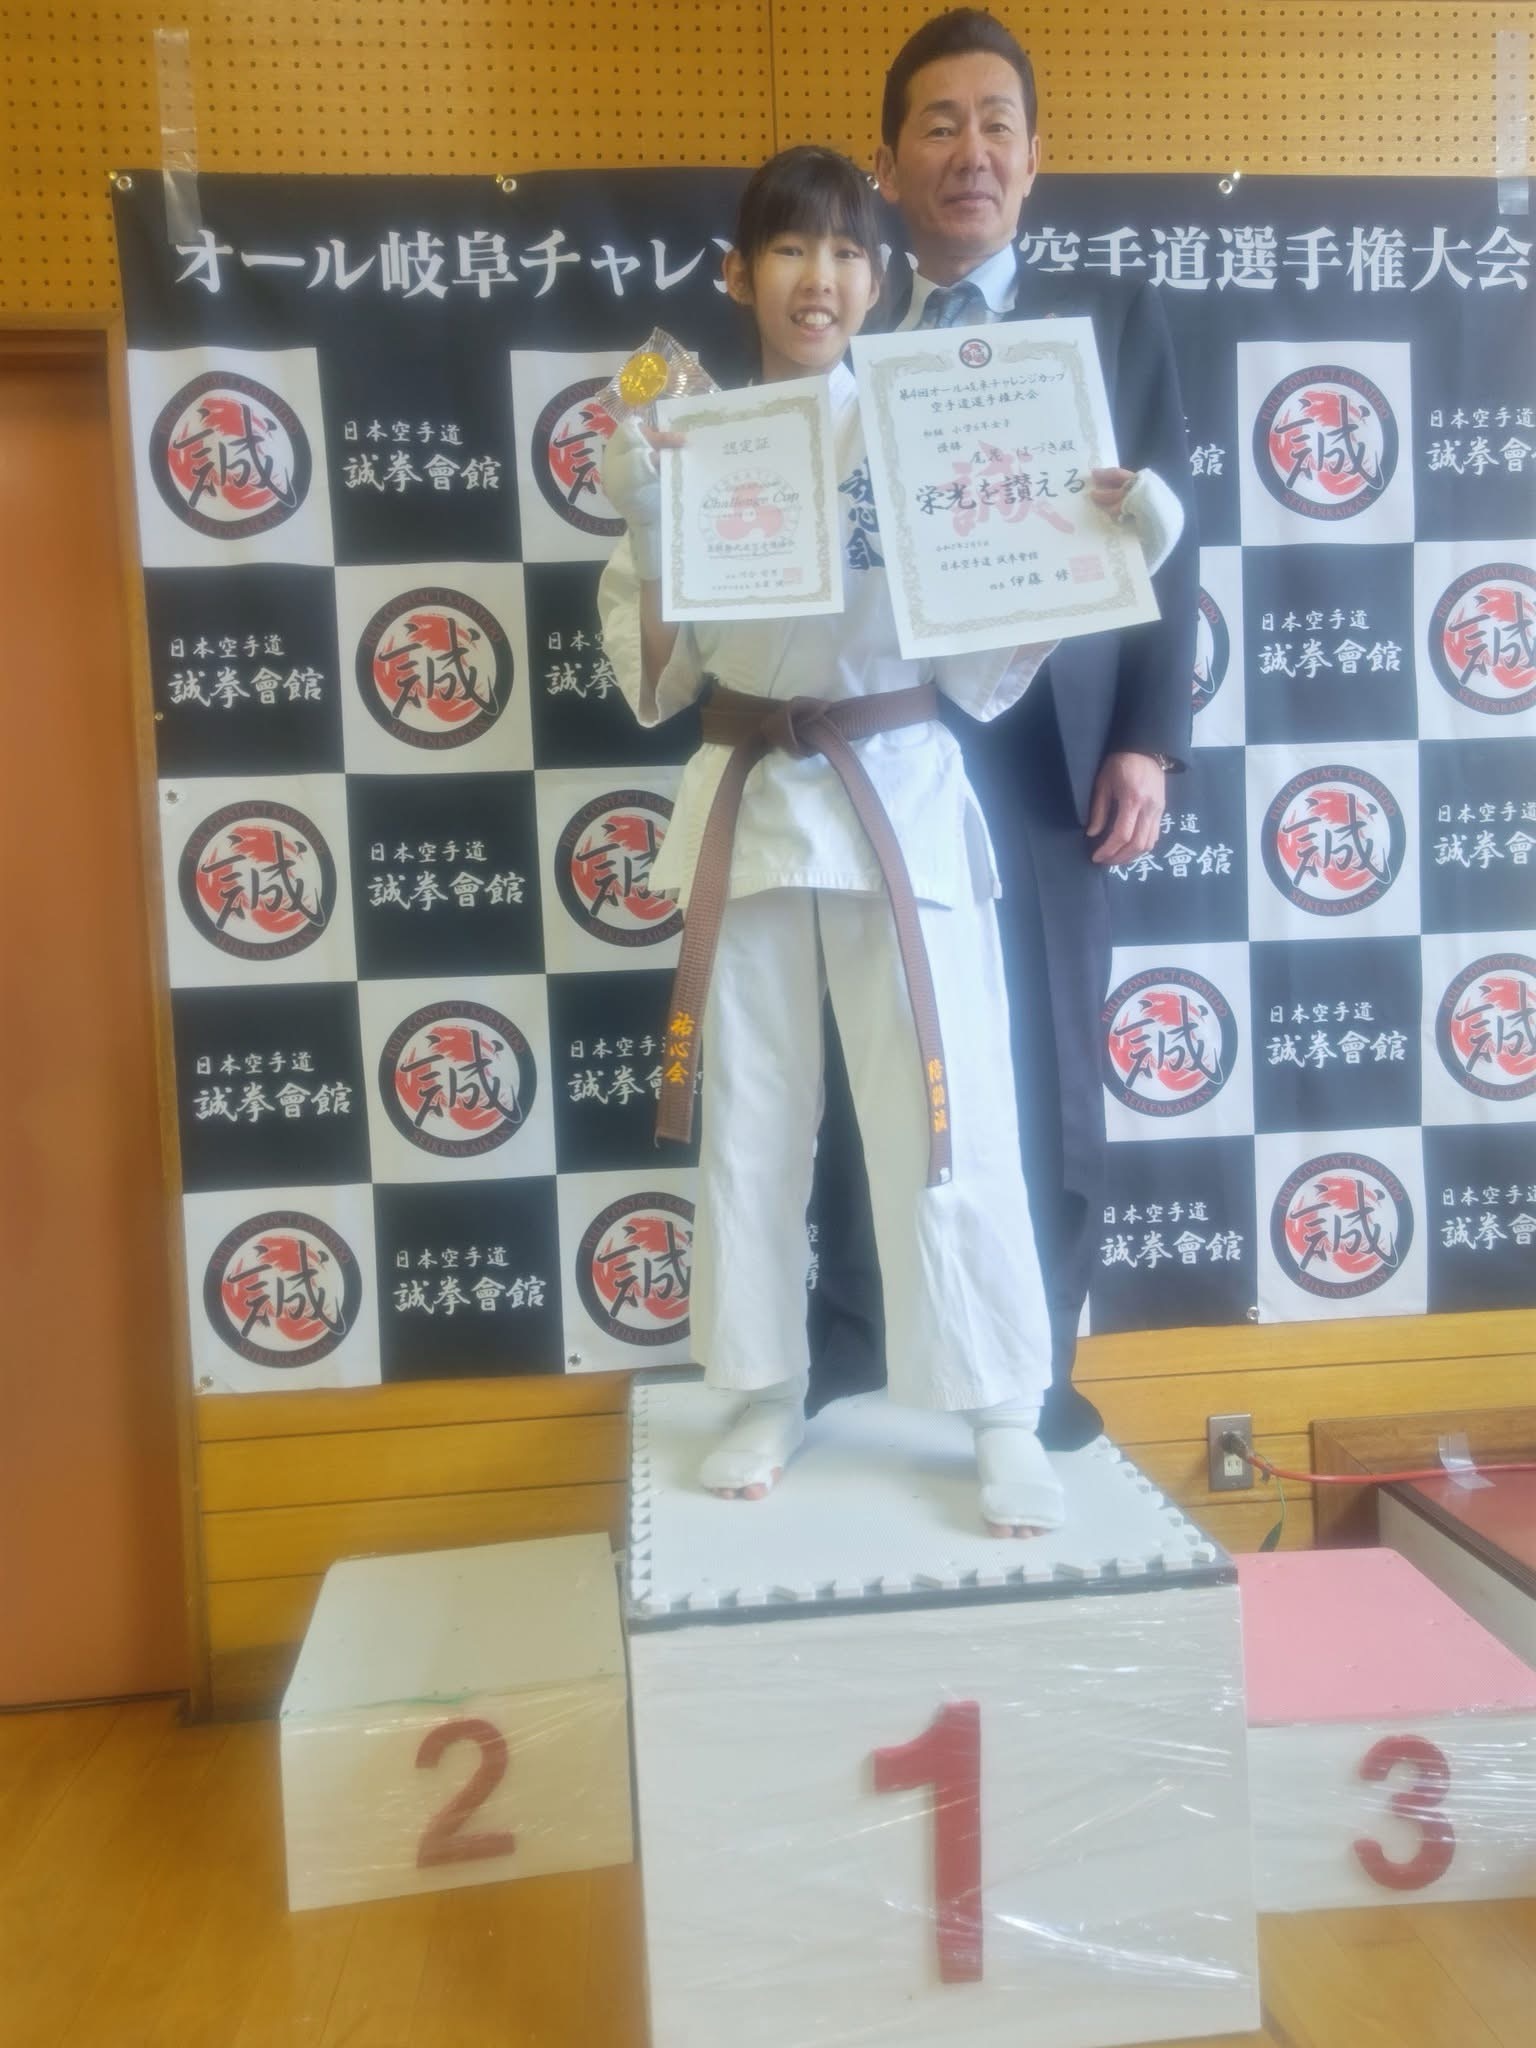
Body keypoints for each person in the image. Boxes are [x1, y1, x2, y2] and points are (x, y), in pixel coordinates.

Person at [598, 147, 1180, 1535]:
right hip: (751, 796)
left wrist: (1116, 556)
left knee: (950, 1105)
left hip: (899, 794)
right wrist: (651, 523)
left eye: (851, 253)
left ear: (882, 278)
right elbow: (656, 681)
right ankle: (763, 1383)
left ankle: (1001, 1405)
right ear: (739, 275)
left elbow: (983, 667)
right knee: (753, 1112)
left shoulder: (924, 429)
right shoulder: (690, 436)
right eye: (791, 251)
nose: (822, 279)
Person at [807, 8, 1198, 1452]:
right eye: (938, 124)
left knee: (1045, 1074)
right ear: (889, 163)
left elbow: (1170, 542)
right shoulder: (846, 335)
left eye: (996, 124)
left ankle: (1038, 1371)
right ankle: (861, 1351)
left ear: (1034, 160)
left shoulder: (1113, 324)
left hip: (1047, 769)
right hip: (878, 750)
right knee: (871, 1054)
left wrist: (1147, 739)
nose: (969, 151)